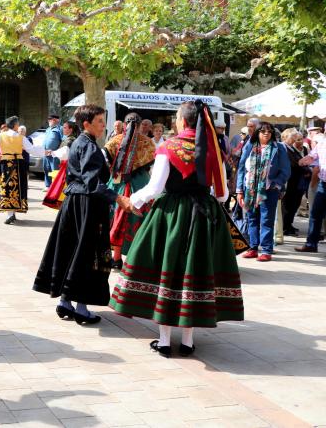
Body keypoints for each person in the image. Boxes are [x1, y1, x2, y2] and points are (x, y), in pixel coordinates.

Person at [109, 100, 244, 357]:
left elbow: (155, 188)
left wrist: (130, 201)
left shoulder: (168, 147)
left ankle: (163, 341)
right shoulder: (213, 150)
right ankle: (188, 342)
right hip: (204, 216)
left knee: (168, 271)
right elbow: (223, 193)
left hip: (171, 215)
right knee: (194, 273)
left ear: (183, 120)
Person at [34, 105, 125, 324]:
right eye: (100, 121)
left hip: (73, 203)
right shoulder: (90, 147)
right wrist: (118, 198)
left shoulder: (78, 143)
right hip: (87, 205)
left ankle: (65, 302)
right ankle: (81, 308)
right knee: (86, 253)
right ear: (87, 124)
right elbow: (93, 182)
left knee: (71, 249)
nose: (104, 125)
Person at [104, 113, 156, 269]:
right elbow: (149, 166)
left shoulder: (113, 141)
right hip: (140, 184)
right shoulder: (148, 143)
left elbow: (108, 163)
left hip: (117, 184)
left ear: (124, 124)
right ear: (140, 125)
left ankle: (116, 258)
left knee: (115, 218)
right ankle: (134, 259)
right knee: (139, 221)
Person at [237, 121, 291, 262]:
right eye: (263, 131)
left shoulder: (278, 148)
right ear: (257, 132)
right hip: (249, 189)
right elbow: (242, 168)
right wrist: (239, 190)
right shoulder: (249, 145)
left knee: (267, 220)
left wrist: (276, 184)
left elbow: (286, 171)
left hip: (269, 190)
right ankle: (253, 248)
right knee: (251, 219)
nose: (267, 133)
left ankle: (266, 250)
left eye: (269, 131)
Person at [0, 115, 51, 224]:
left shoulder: (0, 135)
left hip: (5, 163)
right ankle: (12, 213)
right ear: (16, 125)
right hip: (18, 164)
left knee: (6, 186)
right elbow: (31, 149)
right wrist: (44, 152)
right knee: (18, 187)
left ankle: (10, 214)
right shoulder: (21, 137)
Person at [295, 131, 326, 253]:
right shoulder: (322, 143)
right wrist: (306, 159)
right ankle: (311, 244)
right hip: (323, 184)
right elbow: (313, 155)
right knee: (315, 214)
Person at [43, 121, 79, 210]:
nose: (63, 129)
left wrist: (52, 152)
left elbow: (65, 153)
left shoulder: (70, 140)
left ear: (71, 129)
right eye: (63, 127)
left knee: (64, 186)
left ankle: (67, 206)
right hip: (65, 165)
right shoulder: (68, 139)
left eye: (66, 127)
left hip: (68, 167)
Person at [281, 129, 310, 236]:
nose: (294, 140)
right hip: (290, 182)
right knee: (288, 205)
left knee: (293, 205)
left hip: (296, 182)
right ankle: (285, 227)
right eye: (292, 137)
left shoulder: (291, 149)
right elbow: (293, 164)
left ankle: (289, 225)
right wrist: (303, 167)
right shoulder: (284, 148)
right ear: (286, 137)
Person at [42, 114, 63, 189]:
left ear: (56, 120)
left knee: (54, 171)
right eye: (49, 120)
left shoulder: (60, 129)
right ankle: (48, 186)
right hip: (45, 153)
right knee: (46, 169)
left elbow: (63, 141)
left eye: (50, 119)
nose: (49, 121)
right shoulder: (48, 129)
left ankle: (55, 187)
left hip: (54, 154)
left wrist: (57, 150)